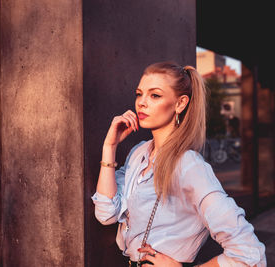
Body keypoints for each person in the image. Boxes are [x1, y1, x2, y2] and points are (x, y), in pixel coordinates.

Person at [91, 61, 266, 267]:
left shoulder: (188, 166)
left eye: (154, 95)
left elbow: (250, 253)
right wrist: (109, 147)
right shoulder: (140, 153)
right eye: (139, 94)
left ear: (180, 104)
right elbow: (106, 213)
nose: (142, 102)